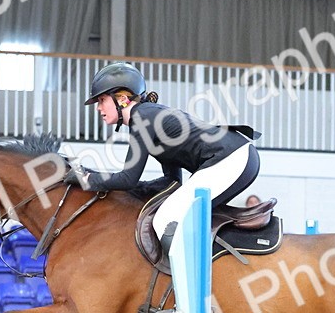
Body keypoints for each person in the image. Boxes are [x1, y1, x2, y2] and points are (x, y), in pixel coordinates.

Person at [65, 62, 261, 242]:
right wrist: (139, 188)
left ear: (123, 99)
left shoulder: (142, 118)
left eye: (102, 100)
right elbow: (172, 182)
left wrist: (86, 178)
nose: (99, 108)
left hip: (231, 158)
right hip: (238, 155)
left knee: (166, 220)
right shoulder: (150, 116)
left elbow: (127, 180)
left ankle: (180, 281)